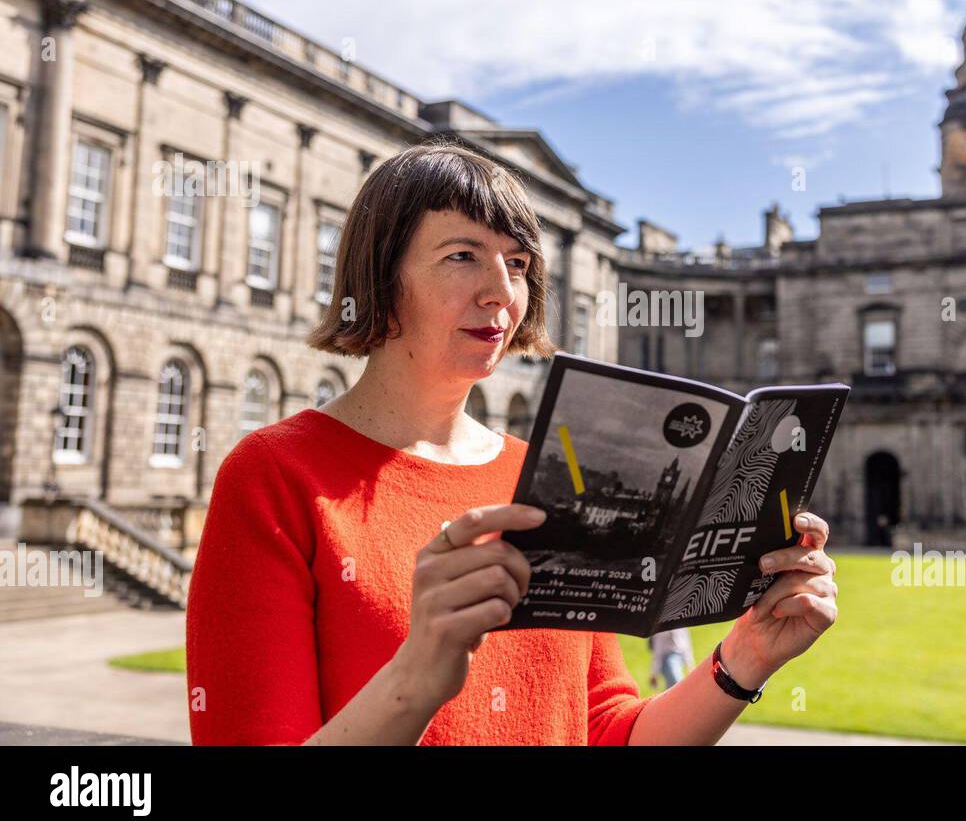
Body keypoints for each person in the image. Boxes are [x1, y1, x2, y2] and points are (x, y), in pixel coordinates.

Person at [185, 141, 838, 745]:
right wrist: (414, 676)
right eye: (462, 255)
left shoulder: (543, 474)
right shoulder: (275, 475)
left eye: (518, 264)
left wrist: (744, 658)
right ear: (382, 277)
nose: (503, 291)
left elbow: (609, 729)